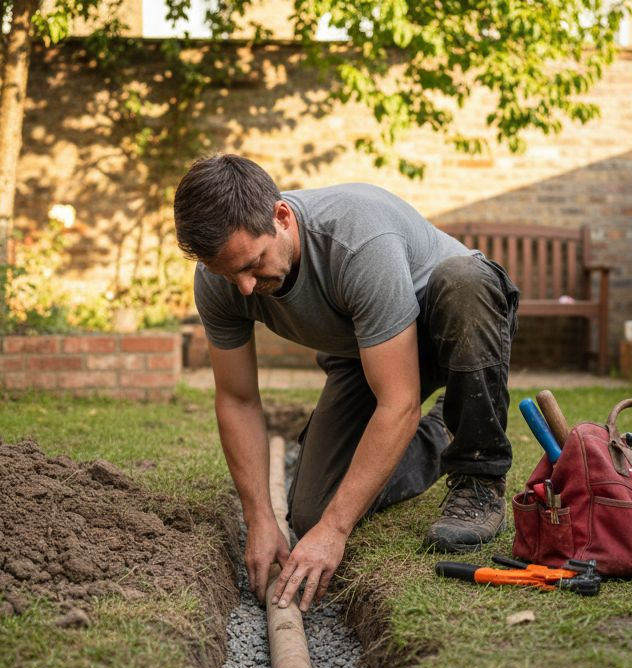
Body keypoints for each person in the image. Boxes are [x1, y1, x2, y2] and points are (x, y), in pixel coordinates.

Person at [174, 154, 519, 613]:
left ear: (281, 217)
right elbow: (238, 400)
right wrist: (259, 518)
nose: (245, 288)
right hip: (365, 351)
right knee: (313, 512)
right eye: (227, 272)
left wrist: (337, 532)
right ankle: (438, 432)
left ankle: (478, 477)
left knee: (464, 281)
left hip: (457, 325)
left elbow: (396, 401)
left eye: (254, 264)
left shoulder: (357, 240)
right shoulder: (220, 281)